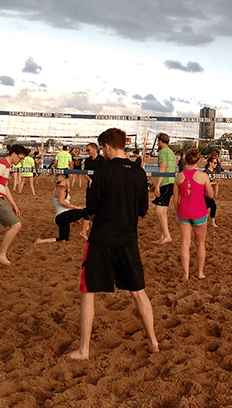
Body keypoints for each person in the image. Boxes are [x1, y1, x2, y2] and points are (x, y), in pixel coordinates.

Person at [69, 128, 159, 359]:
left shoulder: (102, 170)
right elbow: (142, 210)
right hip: (128, 239)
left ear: (107, 146)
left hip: (102, 239)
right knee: (139, 293)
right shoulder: (139, 173)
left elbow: (91, 211)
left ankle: (84, 350)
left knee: (88, 292)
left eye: (101, 148)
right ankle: (154, 342)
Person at [174, 148, 215, 280]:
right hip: (199, 212)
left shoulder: (179, 176)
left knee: (185, 244)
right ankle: (200, 273)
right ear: (198, 161)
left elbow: (175, 199)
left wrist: (178, 212)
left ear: (186, 160)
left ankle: (185, 275)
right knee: (200, 243)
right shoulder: (203, 176)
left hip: (183, 212)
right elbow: (211, 195)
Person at [34, 175, 90, 244]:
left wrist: (74, 218)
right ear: (63, 179)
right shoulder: (62, 188)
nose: (67, 181)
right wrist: (76, 207)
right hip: (64, 215)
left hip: (60, 218)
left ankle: (41, 241)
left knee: (63, 239)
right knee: (87, 210)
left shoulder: (57, 188)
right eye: (66, 179)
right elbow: (61, 202)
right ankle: (83, 232)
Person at [151, 133, 174, 244]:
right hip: (171, 183)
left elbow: (163, 169)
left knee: (159, 210)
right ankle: (163, 235)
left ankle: (167, 236)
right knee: (162, 211)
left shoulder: (163, 152)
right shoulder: (171, 152)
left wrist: (157, 186)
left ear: (160, 141)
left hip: (165, 183)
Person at [204, 154, 221, 227]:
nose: (215, 164)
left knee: (207, 208)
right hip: (204, 193)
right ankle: (212, 223)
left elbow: (216, 185)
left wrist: (215, 195)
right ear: (210, 163)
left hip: (210, 193)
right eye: (214, 163)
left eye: (216, 163)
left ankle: (210, 222)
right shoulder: (205, 172)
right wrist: (214, 182)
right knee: (212, 206)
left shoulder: (215, 172)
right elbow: (205, 183)